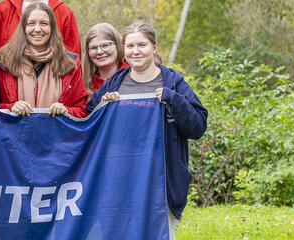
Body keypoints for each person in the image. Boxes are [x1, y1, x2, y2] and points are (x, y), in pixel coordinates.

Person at [87, 22, 207, 236]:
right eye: (130, 46)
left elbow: (197, 127)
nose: (135, 51)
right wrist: (102, 107)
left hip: (160, 182)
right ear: (124, 50)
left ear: (154, 47)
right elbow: (88, 126)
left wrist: (174, 100)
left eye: (142, 45)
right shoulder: (114, 84)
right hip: (117, 181)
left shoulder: (173, 82)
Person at [0, 2, 87, 117]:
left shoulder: (69, 64)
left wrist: (66, 111)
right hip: (13, 133)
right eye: (31, 23)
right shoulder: (3, 62)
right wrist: (11, 108)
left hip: (56, 133)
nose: (37, 29)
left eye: (44, 23)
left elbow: (82, 110)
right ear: (23, 28)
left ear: (52, 28)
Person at [81, 23, 125, 95]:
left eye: (105, 46)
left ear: (118, 45)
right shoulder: (82, 84)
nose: (99, 52)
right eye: (94, 48)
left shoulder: (131, 76)